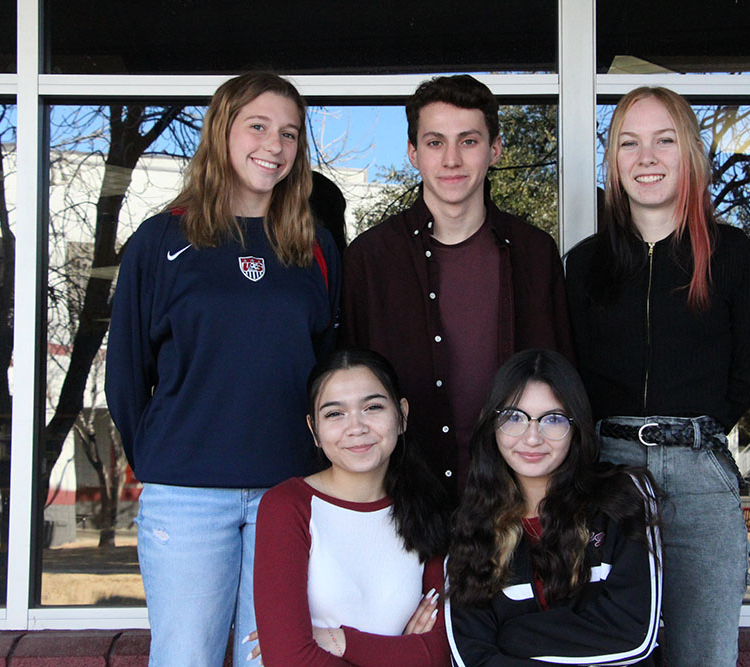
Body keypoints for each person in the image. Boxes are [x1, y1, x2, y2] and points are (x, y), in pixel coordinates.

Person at [105, 71, 341, 667]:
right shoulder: (162, 242)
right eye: (257, 126)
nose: (274, 145)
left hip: (288, 492)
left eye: (289, 133)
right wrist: (166, 459)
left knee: (274, 658)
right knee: (187, 657)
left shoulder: (312, 245)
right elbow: (128, 378)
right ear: (221, 131)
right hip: (185, 498)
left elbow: (331, 377)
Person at [565, 86, 750, 666]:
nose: (645, 157)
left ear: (690, 155)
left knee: (702, 654)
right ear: (614, 161)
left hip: (700, 476)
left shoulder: (730, 254)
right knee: (607, 652)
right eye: (629, 142)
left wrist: (690, 440)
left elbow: (742, 376)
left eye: (663, 140)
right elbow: (572, 372)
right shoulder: (584, 263)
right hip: (608, 472)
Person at [340, 75, 573, 502]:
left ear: (495, 149)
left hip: (513, 499)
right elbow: (345, 386)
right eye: (434, 143)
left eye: (468, 141)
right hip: (403, 496)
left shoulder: (534, 253)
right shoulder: (371, 258)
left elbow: (562, 380)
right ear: (412, 153)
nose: (451, 159)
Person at [445, 349, 662, 666]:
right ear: (492, 425)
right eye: (514, 418)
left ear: (576, 427)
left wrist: (513, 637)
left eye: (554, 419)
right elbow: (471, 657)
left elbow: (634, 635)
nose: (532, 438)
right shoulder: (473, 523)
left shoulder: (622, 500)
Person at [253, 348, 451, 666]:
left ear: (401, 415)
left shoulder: (428, 505)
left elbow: (441, 652)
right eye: (335, 414)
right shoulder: (287, 507)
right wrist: (400, 653)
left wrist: (338, 640)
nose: (356, 427)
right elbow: (288, 658)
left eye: (372, 407)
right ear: (313, 429)